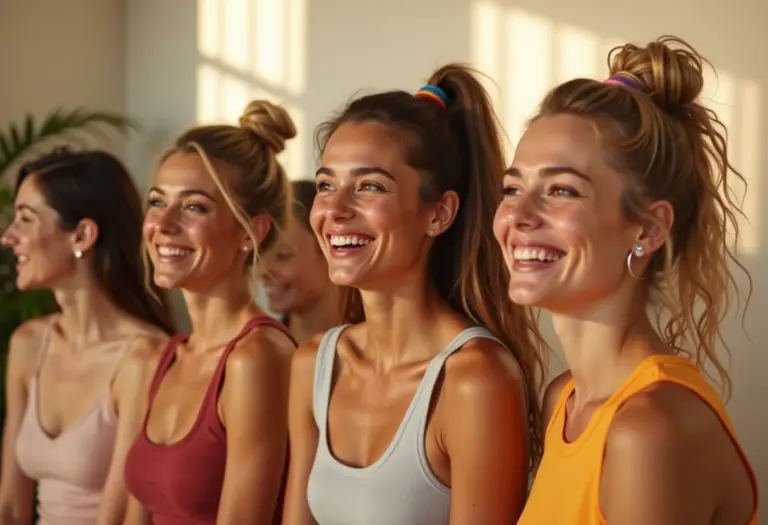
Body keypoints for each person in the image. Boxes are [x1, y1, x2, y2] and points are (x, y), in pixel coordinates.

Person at [493, 36, 759, 524]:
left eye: (561, 190)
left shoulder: (649, 430)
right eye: (513, 188)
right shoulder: (565, 399)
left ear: (647, 230)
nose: (518, 215)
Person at [282, 64, 545, 525]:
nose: (335, 210)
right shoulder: (313, 364)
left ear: (439, 214)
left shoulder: (475, 380)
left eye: (369, 186)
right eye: (327, 185)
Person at [123, 100, 299, 525]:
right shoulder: (164, 358)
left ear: (248, 233)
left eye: (194, 206)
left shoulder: (256, 358)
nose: (162, 224)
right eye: (156, 201)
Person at [0, 148, 175, 525]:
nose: (8, 237)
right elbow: (10, 508)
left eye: (25, 220)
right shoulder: (28, 344)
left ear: (81, 235)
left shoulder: (144, 355)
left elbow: (125, 516)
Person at [261, 180, 343, 344]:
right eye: (260, 256)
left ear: (330, 249)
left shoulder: (372, 349)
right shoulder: (262, 350)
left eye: (282, 256)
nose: (264, 272)